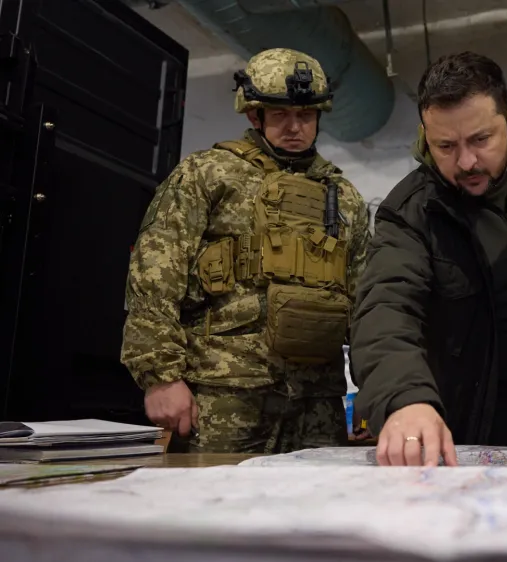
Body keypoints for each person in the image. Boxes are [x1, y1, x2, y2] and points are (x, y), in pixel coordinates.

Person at [121, 48, 371, 453]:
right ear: (254, 116)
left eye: (306, 115)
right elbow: (154, 273)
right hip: (224, 390)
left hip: (318, 400)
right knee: (210, 510)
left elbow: (366, 302)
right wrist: (161, 376)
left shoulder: (343, 197)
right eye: (280, 115)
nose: (295, 127)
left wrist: (375, 389)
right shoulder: (208, 173)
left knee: (313, 512)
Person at [351, 52, 507, 467]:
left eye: (480, 140)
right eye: (446, 146)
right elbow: (385, 309)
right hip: (470, 426)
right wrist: (405, 399)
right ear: (426, 136)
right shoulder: (412, 212)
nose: (467, 162)